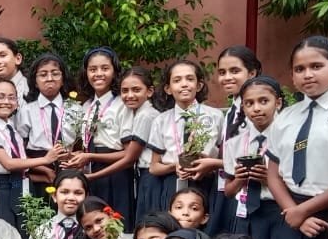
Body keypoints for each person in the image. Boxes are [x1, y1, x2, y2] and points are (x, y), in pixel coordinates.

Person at [265, 37, 328, 239]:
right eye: (299, 69)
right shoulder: (286, 117)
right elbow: (273, 174)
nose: (308, 75)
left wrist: (304, 211)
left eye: (316, 66)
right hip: (289, 214)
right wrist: (294, 212)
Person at [0, 79, 60, 226]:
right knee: (5, 231)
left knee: (26, 231)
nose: (6, 101)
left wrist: (44, 171)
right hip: (1, 187)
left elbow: (21, 161)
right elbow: (8, 163)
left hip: (20, 185)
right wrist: (45, 160)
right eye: (0, 97)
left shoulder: (12, 129)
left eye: (12, 97)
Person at [146, 59, 225, 210]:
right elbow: (154, 167)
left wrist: (209, 164)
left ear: (199, 85)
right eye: (177, 80)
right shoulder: (161, 121)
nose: (184, 84)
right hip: (173, 184)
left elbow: (224, 158)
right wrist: (174, 166)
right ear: (168, 89)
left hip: (206, 183)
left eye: (190, 79)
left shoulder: (216, 116)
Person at [223, 75, 284, 239]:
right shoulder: (234, 143)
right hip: (246, 213)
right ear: (243, 107)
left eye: (263, 101)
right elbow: (228, 191)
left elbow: (298, 187)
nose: (256, 108)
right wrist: (239, 180)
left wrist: (269, 180)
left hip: (279, 211)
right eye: (249, 103)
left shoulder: (288, 140)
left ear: (278, 103)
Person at [66, 46, 129, 210]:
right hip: (90, 171)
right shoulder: (87, 105)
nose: (98, 74)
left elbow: (128, 154)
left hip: (115, 173)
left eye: (105, 68)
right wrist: (79, 155)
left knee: (114, 219)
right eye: (93, 69)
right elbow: (87, 143)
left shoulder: (122, 105)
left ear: (115, 72)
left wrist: (90, 156)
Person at [210, 46, 262, 234]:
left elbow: (254, 157)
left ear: (252, 73)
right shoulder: (232, 109)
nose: (227, 77)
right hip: (228, 185)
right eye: (222, 72)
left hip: (249, 189)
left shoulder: (257, 111)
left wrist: (213, 163)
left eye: (234, 71)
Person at [17, 52, 80, 194]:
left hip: (69, 170)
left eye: (55, 74)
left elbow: (81, 145)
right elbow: (19, 149)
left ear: (63, 79)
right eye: (43, 74)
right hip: (39, 171)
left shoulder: (75, 109)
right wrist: (43, 168)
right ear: (35, 81)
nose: (49, 78)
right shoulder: (26, 111)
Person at [122, 68, 162, 223]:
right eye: (125, 91)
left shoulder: (146, 115)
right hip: (144, 174)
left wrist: (93, 175)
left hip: (150, 175)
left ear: (149, 91)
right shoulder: (137, 112)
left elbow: (129, 158)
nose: (130, 95)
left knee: (149, 221)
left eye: (136, 90)